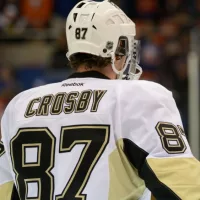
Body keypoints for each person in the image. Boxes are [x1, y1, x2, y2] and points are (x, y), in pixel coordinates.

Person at [0, 0, 200, 199]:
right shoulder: (136, 97)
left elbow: (4, 190)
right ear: (118, 48)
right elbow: (184, 187)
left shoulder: (20, 105)